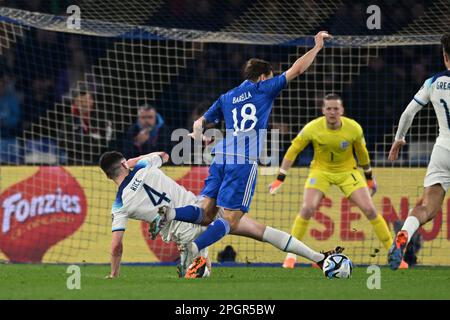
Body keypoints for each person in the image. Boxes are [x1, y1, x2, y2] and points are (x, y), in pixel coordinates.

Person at [154, 31, 334, 276]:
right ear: (262, 77)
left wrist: (197, 136)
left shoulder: (227, 97)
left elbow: (198, 123)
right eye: (268, 77)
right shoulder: (263, 89)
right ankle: (193, 248)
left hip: (220, 159)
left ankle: (170, 213)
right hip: (242, 161)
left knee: (207, 213)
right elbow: (296, 69)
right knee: (231, 220)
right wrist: (316, 47)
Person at [99, 150, 343, 279]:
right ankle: (320, 259)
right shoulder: (144, 165)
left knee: (197, 277)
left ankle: (195, 257)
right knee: (261, 231)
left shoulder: (119, 205)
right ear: (124, 164)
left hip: (183, 233)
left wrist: (114, 273)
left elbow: (117, 245)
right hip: (203, 210)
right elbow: (164, 155)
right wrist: (134, 160)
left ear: (109, 176)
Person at [269, 93, 394, 269]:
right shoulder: (313, 128)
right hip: (321, 171)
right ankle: (291, 257)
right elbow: (293, 150)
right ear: (323, 110)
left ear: (342, 110)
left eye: (336, 109)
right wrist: (280, 178)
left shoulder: (353, 128)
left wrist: (369, 178)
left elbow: (362, 153)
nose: (332, 112)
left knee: (369, 209)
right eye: (329, 109)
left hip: (347, 171)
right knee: (307, 208)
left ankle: (393, 252)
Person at [387, 34, 450, 270]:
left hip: (442, 149)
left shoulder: (433, 82)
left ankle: (404, 234)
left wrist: (399, 139)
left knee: (426, 208)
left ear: (445, 57)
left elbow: (408, 113)